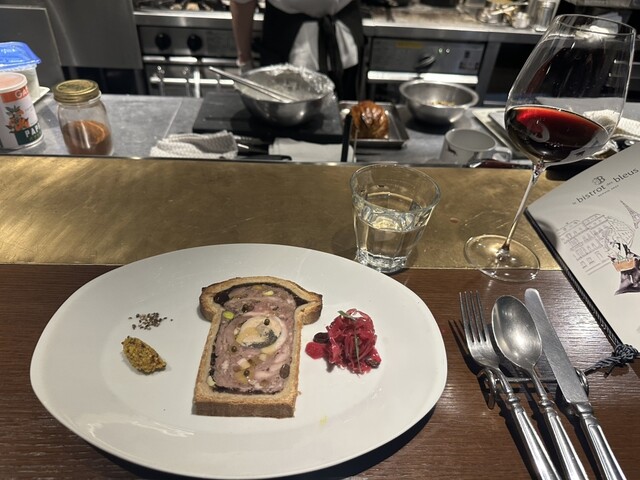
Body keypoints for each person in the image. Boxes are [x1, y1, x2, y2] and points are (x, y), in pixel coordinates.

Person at [229, 0, 364, 100]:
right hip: (290, 48)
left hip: (342, 46)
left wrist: (245, 61)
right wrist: (245, 61)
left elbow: (242, 3)